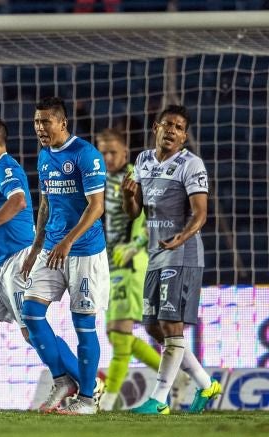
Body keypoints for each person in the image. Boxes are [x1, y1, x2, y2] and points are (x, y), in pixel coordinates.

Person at [0, 116, 81, 415]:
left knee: (31, 330)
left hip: (19, 260)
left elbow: (20, 201)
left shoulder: (6, 166)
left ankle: (86, 381)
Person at [123, 105, 221, 415]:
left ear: (184, 136)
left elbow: (201, 212)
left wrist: (182, 237)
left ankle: (159, 399)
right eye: (168, 124)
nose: (172, 130)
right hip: (156, 254)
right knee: (153, 327)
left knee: (170, 323)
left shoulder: (191, 164)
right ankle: (207, 384)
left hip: (182, 254)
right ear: (156, 127)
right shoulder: (142, 160)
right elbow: (134, 212)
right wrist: (128, 196)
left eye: (179, 127)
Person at [20, 97, 110, 415]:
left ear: (62, 123)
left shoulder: (85, 154)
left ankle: (87, 398)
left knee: (83, 324)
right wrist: (35, 250)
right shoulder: (44, 156)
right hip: (51, 248)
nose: (40, 128)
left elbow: (96, 206)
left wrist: (68, 242)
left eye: (46, 121)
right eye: (36, 122)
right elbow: (46, 204)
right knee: (29, 312)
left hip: (84, 251)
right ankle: (62, 379)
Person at [95, 128, 161, 411]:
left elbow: (151, 215)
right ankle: (176, 375)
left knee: (120, 332)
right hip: (109, 264)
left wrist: (136, 245)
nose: (108, 157)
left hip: (132, 261)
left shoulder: (136, 175)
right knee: (114, 333)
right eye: (103, 152)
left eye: (113, 152)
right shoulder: (100, 179)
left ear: (125, 151)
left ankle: (107, 401)